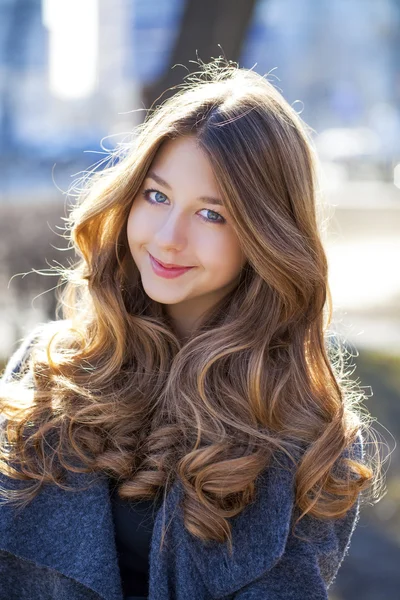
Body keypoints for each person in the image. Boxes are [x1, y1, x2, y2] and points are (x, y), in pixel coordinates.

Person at [0, 58, 379, 600]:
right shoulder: (48, 371)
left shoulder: (309, 438)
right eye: (156, 197)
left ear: (265, 234)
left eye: (212, 215)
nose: (168, 238)